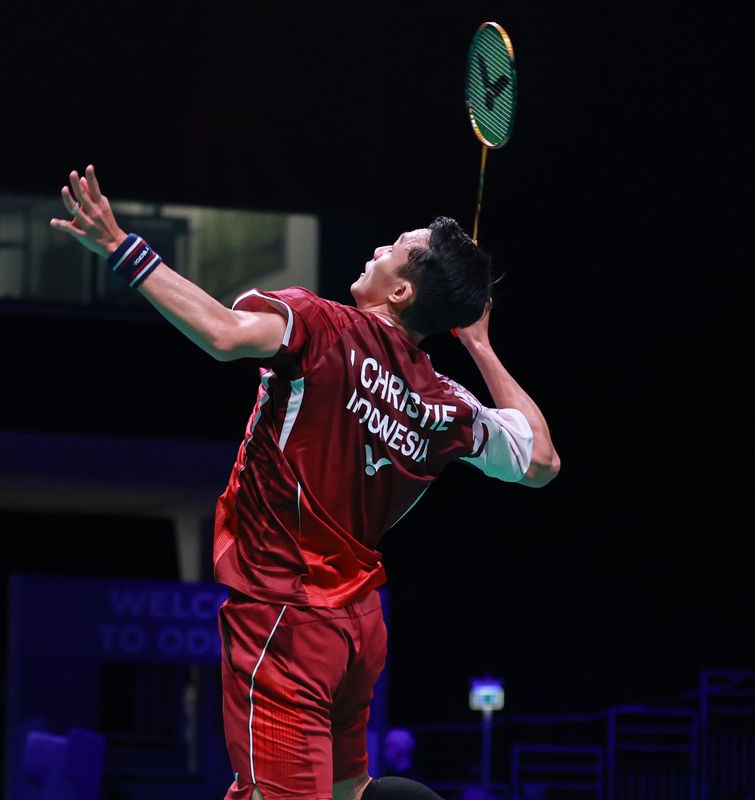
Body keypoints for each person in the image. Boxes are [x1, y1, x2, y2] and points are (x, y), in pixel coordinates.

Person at [51, 165, 559, 800]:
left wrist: (119, 246)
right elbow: (541, 461)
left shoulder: (318, 325)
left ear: (402, 290)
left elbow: (223, 333)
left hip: (284, 618)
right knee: (347, 791)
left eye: (396, 248)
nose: (380, 248)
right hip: (357, 628)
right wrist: (479, 345)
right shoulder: (448, 404)